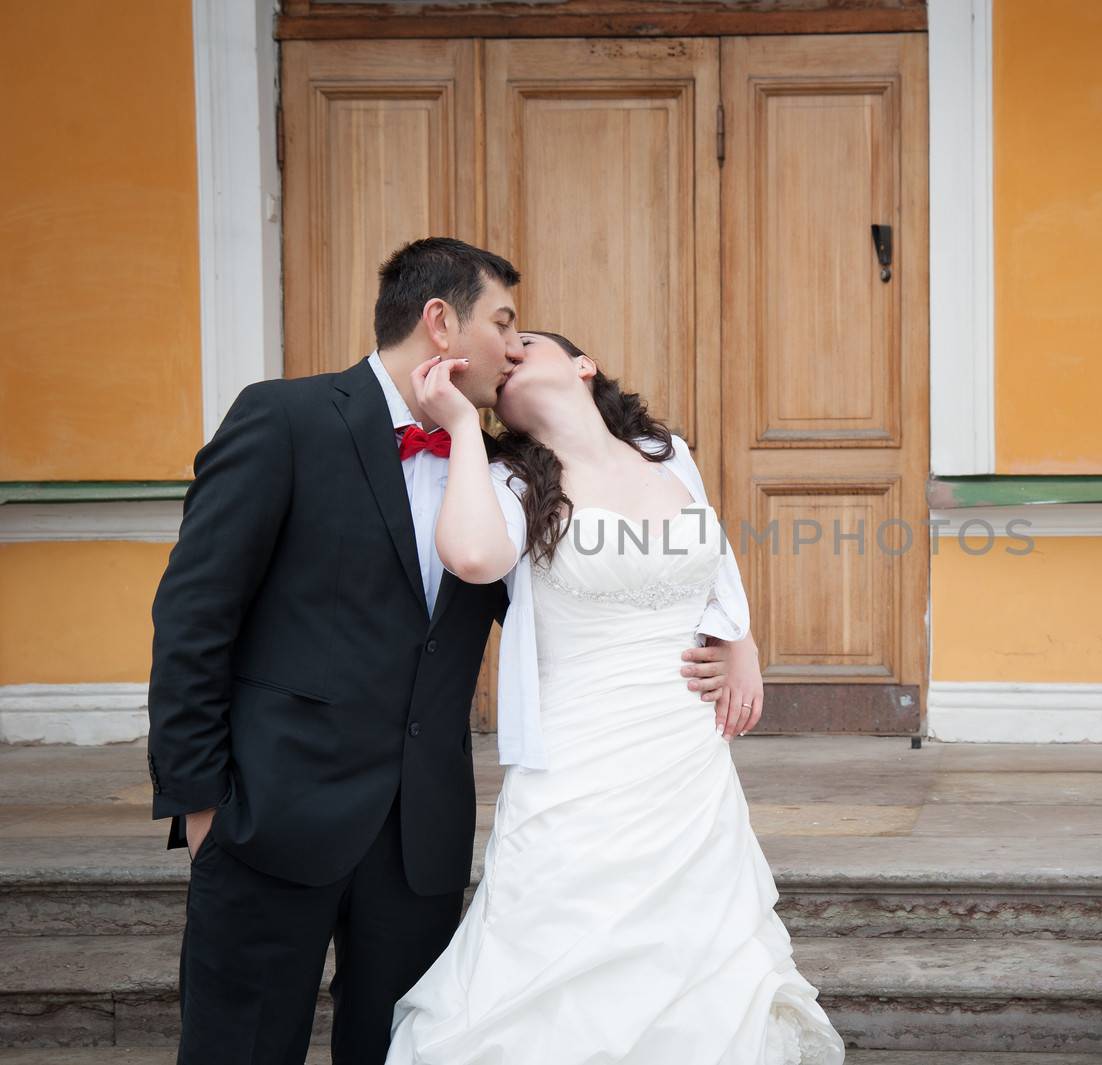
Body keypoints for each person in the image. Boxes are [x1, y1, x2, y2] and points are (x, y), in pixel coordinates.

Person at [146, 239, 734, 1064]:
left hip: (420, 840)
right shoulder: (285, 418)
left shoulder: (503, 475)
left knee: (398, 1051)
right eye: (503, 322)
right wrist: (199, 803)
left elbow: (646, 544)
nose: (513, 346)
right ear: (440, 322)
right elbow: (193, 618)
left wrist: (729, 633)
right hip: (271, 816)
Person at [383, 332, 845, 1063]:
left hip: (685, 754)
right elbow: (472, 556)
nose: (506, 355)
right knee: (564, 940)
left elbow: (712, 556)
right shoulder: (509, 478)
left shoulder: (666, 453)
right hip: (579, 754)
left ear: (581, 364)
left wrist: (742, 640)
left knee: (699, 949)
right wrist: (464, 426)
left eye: (524, 342)